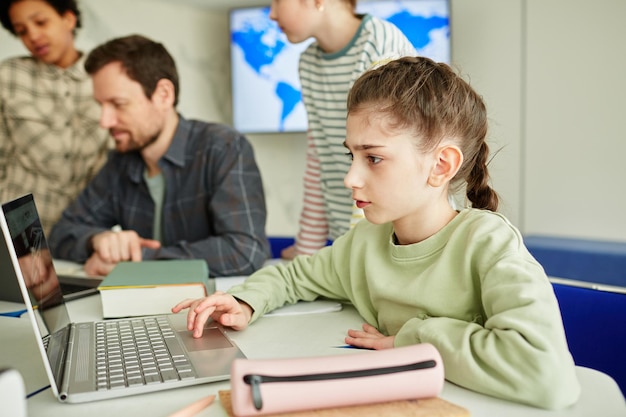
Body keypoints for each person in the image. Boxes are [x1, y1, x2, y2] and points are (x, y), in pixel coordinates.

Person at [173, 57, 581, 410]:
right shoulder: (363, 243)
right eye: (352, 155)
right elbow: (294, 275)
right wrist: (245, 300)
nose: (351, 177)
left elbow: (546, 374)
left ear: (441, 166)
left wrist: (414, 338)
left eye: (374, 158)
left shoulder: (488, 245)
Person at [48, 34, 270, 277]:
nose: (104, 121)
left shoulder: (223, 148)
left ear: (163, 94)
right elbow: (60, 234)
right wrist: (98, 240)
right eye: (101, 106)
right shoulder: (120, 163)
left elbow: (244, 251)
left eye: (119, 104)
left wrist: (138, 261)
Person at [270, 0, 416, 259]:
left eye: (277, 1)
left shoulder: (379, 42)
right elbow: (319, 161)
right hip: (350, 239)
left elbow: (384, 155)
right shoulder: (308, 63)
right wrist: (307, 254)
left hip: (395, 241)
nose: (271, 13)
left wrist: (355, 255)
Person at [0, 0, 111, 235]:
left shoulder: (106, 78)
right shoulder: (8, 76)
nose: (33, 35)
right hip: (18, 233)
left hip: (78, 237)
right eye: (21, 31)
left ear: (68, 19)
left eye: (41, 22)